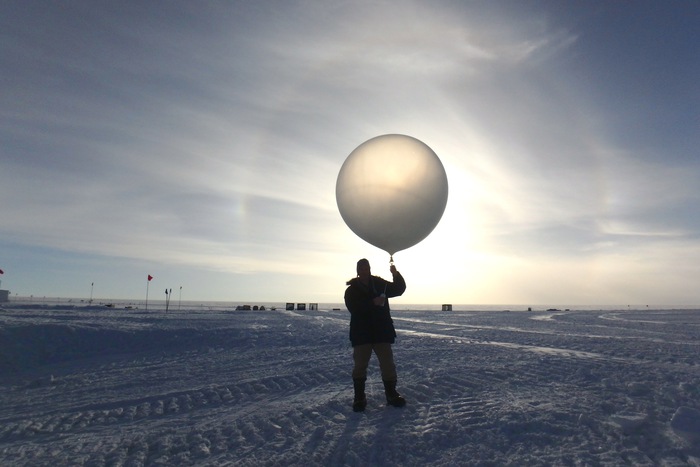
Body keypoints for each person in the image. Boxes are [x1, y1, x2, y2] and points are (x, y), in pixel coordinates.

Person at [344, 258, 407, 412]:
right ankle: (359, 397)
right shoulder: (351, 290)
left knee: (388, 365)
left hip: (381, 332)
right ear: (357, 271)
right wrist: (373, 302)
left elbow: (398, 289)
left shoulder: (379, 283)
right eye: (361, 268)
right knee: (360, 366)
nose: (364, 271)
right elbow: (354, 308)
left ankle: (391, 394)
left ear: (369, 269)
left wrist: (395, 274)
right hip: (362, 333)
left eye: (366, 268)